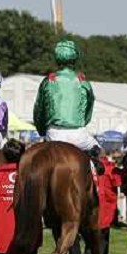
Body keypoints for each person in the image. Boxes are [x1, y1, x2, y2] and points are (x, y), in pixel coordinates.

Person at [33, 39, 104, 175]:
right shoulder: (83, 82)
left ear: (57, 60)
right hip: (78, 135)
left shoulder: (48, 81)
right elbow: (88, 109)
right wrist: (82, 122)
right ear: (74, 59)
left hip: (54, 134)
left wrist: (42, 130)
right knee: (101, 153)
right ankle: (97, 188)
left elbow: (39, 110)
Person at [69, 147, 122, 254]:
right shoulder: (109, 167)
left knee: (89, 241)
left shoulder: (83, 167)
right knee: (102, 243)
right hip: (105, 210)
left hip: (87, 209)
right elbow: (118, 182)